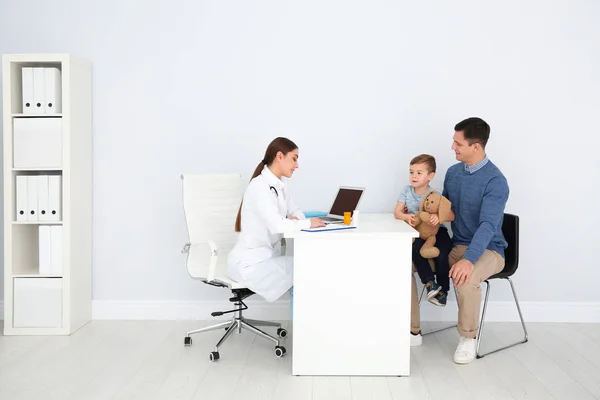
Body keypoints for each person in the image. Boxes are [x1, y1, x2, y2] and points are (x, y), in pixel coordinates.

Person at [410, 117, 509, 365]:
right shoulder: (454, 173)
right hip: (456, 245)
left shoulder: (495, 181)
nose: (452, 148)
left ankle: (468, 338)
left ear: (476, 146)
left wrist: (469, 259)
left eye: (458, 143)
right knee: (402, 265)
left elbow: (488, 226)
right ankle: (413, 330)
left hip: (488, 249)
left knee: (468, 276)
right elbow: (442, 210)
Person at [227, 137, 326, 307]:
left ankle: (307, 324)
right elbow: (278, 225)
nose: (297, 165)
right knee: (306, 267)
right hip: (250, 265)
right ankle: (305, 327)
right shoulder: (259, 187)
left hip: (266, 258)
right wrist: (307, 223)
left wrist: (296, 220)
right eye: (294, 159)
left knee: (306, 265)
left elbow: (295, 211)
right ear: (280, 156)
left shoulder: (280, 184)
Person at [394, 154, 453, 308]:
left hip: (437, 231)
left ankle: (443, 291)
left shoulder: (435, 195)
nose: (414, 176)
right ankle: (430, 283)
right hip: (419, 231)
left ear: (430, 176)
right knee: (414, 249)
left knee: (442, 253)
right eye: (411, 172)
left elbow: (448, 214)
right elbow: (397, 212)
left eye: (419, 173)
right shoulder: (406, 191)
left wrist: (437, 217)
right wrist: (407, 217)